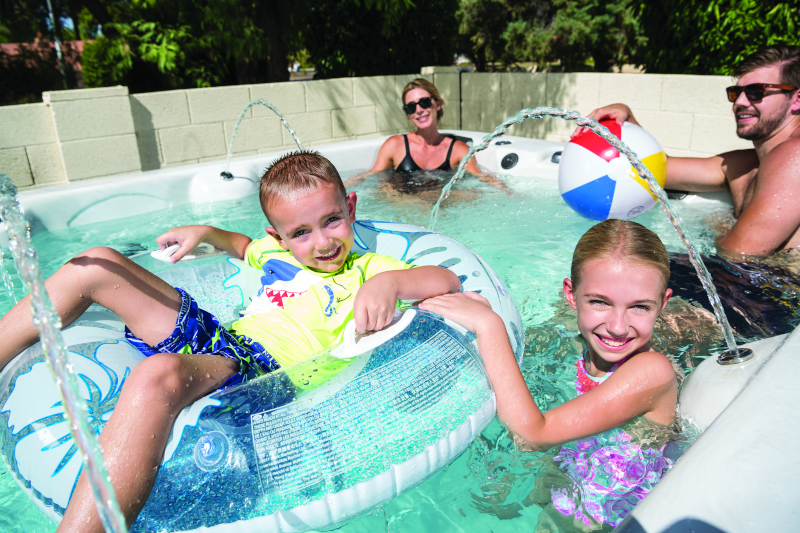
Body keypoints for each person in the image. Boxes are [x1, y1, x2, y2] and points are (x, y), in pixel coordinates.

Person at [0, 151, 461, 532]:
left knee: (156, 376)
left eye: (332, 221)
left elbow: (444, 278)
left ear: (352, 209)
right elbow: (242, 244)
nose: (321, 242)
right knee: (98, 263)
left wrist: (391, 286)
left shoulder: (365, 270)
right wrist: (206, 233)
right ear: (278, 235)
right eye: (301, 232)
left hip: (263, 375)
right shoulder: (277, 255)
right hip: (222, 341)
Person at [420, 219, 679, 530]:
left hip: (606, 522)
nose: (618, 326)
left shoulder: (651, 372)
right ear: (571, 294)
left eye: (639, 307)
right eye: (599, 302)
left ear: (663, 303)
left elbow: (532, 435)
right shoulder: (573, 345)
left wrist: (489, 327)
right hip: (568, 497)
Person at [573, 44, 800, 258]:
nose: (739, 102)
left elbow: (737, 257)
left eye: (755, 92)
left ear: (797, 99)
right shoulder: (743, 165)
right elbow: (657, 170)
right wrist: (626, 116)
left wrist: (717, 230)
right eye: (735, 92)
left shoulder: (795, 154)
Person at [371, 78, 481, 175]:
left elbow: (480, 184)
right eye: (411, 107)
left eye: (424, 102)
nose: (418, 110)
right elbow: (370, 180)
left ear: (437, 105)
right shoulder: (394, 146)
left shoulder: (459, 151)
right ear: (407, 113)